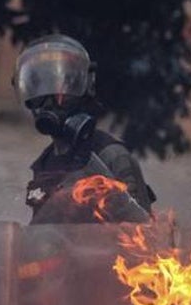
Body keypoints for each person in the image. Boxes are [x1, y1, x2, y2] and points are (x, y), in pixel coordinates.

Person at [14, 34, 154, 224]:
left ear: (85, 87)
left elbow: (142, 231)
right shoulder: (44, 163)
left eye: (59, 91)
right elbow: (41, 235)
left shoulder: (110, 155)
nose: (48, 103)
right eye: (38, 91)